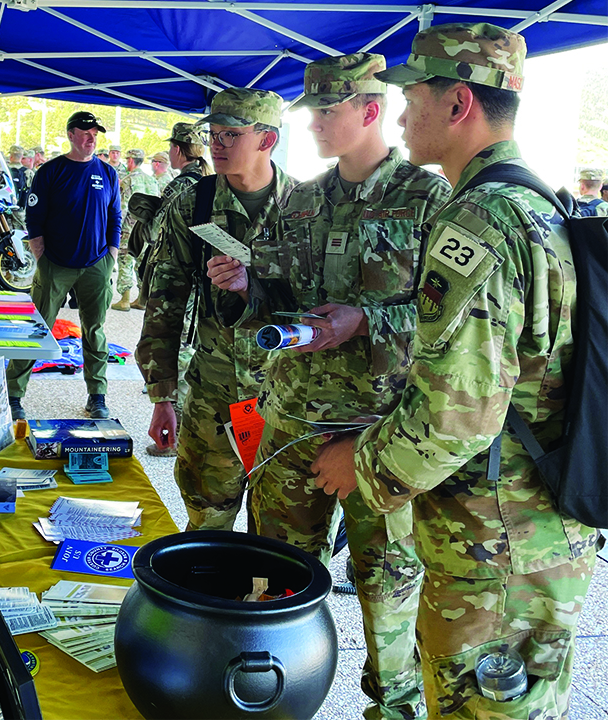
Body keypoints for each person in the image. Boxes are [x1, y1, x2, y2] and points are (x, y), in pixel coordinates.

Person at [310, 23, 600, 719]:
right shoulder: (539, 203)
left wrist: (365, 464)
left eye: (415, 96)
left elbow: (458, 414)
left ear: (459, 104)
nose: (403, 113)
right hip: (537, 531)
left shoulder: (480, 221)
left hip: (492, 547)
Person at [214, 53, 450, 720]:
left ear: (370, 111)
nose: (312, 123)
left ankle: (393, 709)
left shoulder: (428, 199)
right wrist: (247, 285)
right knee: (273, 586)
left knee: (389, 597)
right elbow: (276, 297)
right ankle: (265, 701)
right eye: (309, 110)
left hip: (382, 435)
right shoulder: (301, 201)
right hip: (292, 423)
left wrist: (364, 322)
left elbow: (453, 320)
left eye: (327, 110)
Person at [136, 88, 296, 530]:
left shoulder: (306, 207)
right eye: (213, 135)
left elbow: (320, 307)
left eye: (230, 135)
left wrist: (255, 285)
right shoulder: (195, 202)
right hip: (213, 395)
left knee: (280, 535)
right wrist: (163, 396)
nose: (216, 146)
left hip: (284, 398)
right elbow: (165, 299)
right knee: (207, 522)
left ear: (267, 140)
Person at [6, 111, 121, 420]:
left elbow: (115, 218)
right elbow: (34, 218)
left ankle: (97, 395)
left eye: (95, 132)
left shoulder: (108, 174)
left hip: (97, 264)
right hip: (55, 264)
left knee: (94, 330)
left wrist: (111, 256)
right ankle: (14, 395)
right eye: (85, 131)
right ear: (71, 134)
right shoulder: (51, 171)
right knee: (36, 328)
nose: (91, 137)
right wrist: (41, 257)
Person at [135, 122, 212, 458]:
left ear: (179, 150)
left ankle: (174, 428)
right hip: (198, 281)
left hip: (181, 282)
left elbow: (160, 232)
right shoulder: (207, 180)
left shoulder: (182, 186)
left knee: (178, 350)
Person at [112, 148, 158, 312]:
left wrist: (115, 230)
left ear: (131, 161)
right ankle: (142, 298)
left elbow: (122, 208)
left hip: (130, 228)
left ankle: (124, 299)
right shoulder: (152, 181)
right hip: (148, 229)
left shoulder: (128, 180)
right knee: (142, 262)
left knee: (125, 260)